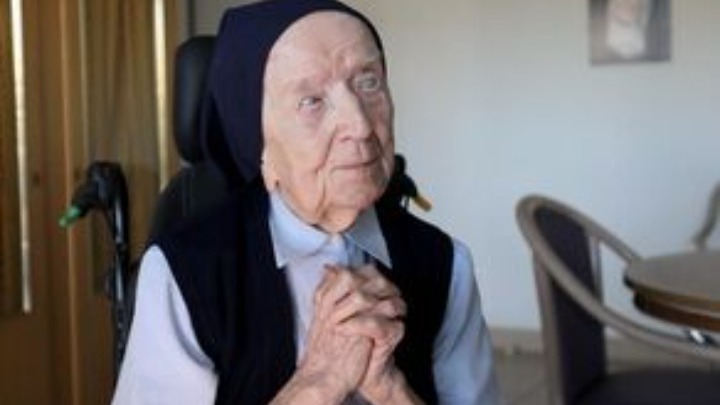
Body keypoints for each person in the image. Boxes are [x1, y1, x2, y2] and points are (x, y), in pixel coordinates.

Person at [112, 0, 500, 404]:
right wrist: (318, 381)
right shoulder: (184, 272)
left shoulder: (444, 263)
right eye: (312, 101)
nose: (360, 125)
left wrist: (391, 391)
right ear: (261, 147)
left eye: (368, 82)